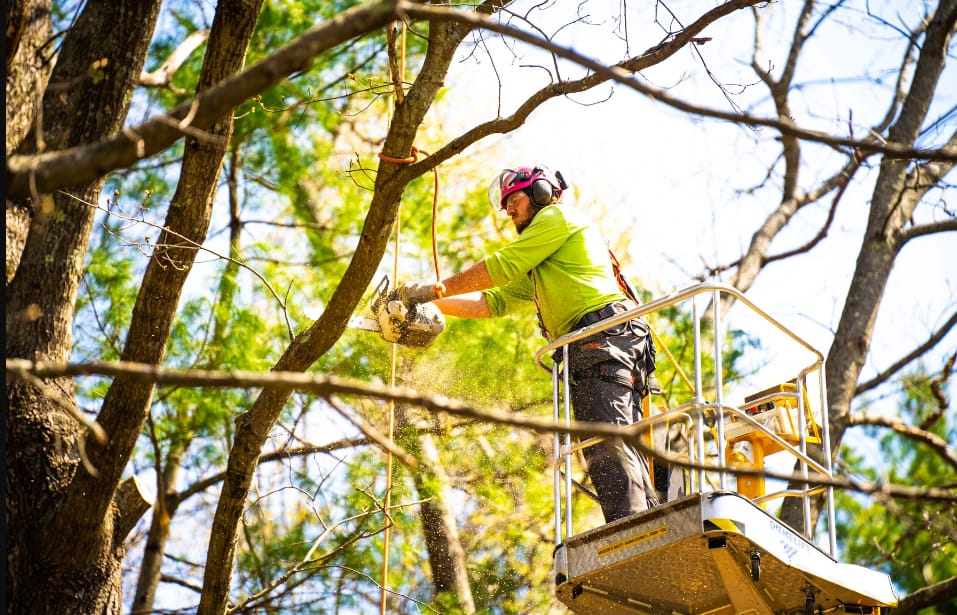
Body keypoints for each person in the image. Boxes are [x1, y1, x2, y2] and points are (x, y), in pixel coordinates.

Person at [397, 165, 659, 523]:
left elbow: (502, 265)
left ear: (541, 194)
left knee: (606, 439)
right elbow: (492, 302)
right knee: (606, 441)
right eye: (505, 206)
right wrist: (425, 304)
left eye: (514, 200)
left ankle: (634, 530)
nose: (509, 211)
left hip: (603, 336)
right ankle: (641, 523)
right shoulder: (544, 263)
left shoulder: (556, 217)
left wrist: (432, 288)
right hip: (595, 345)